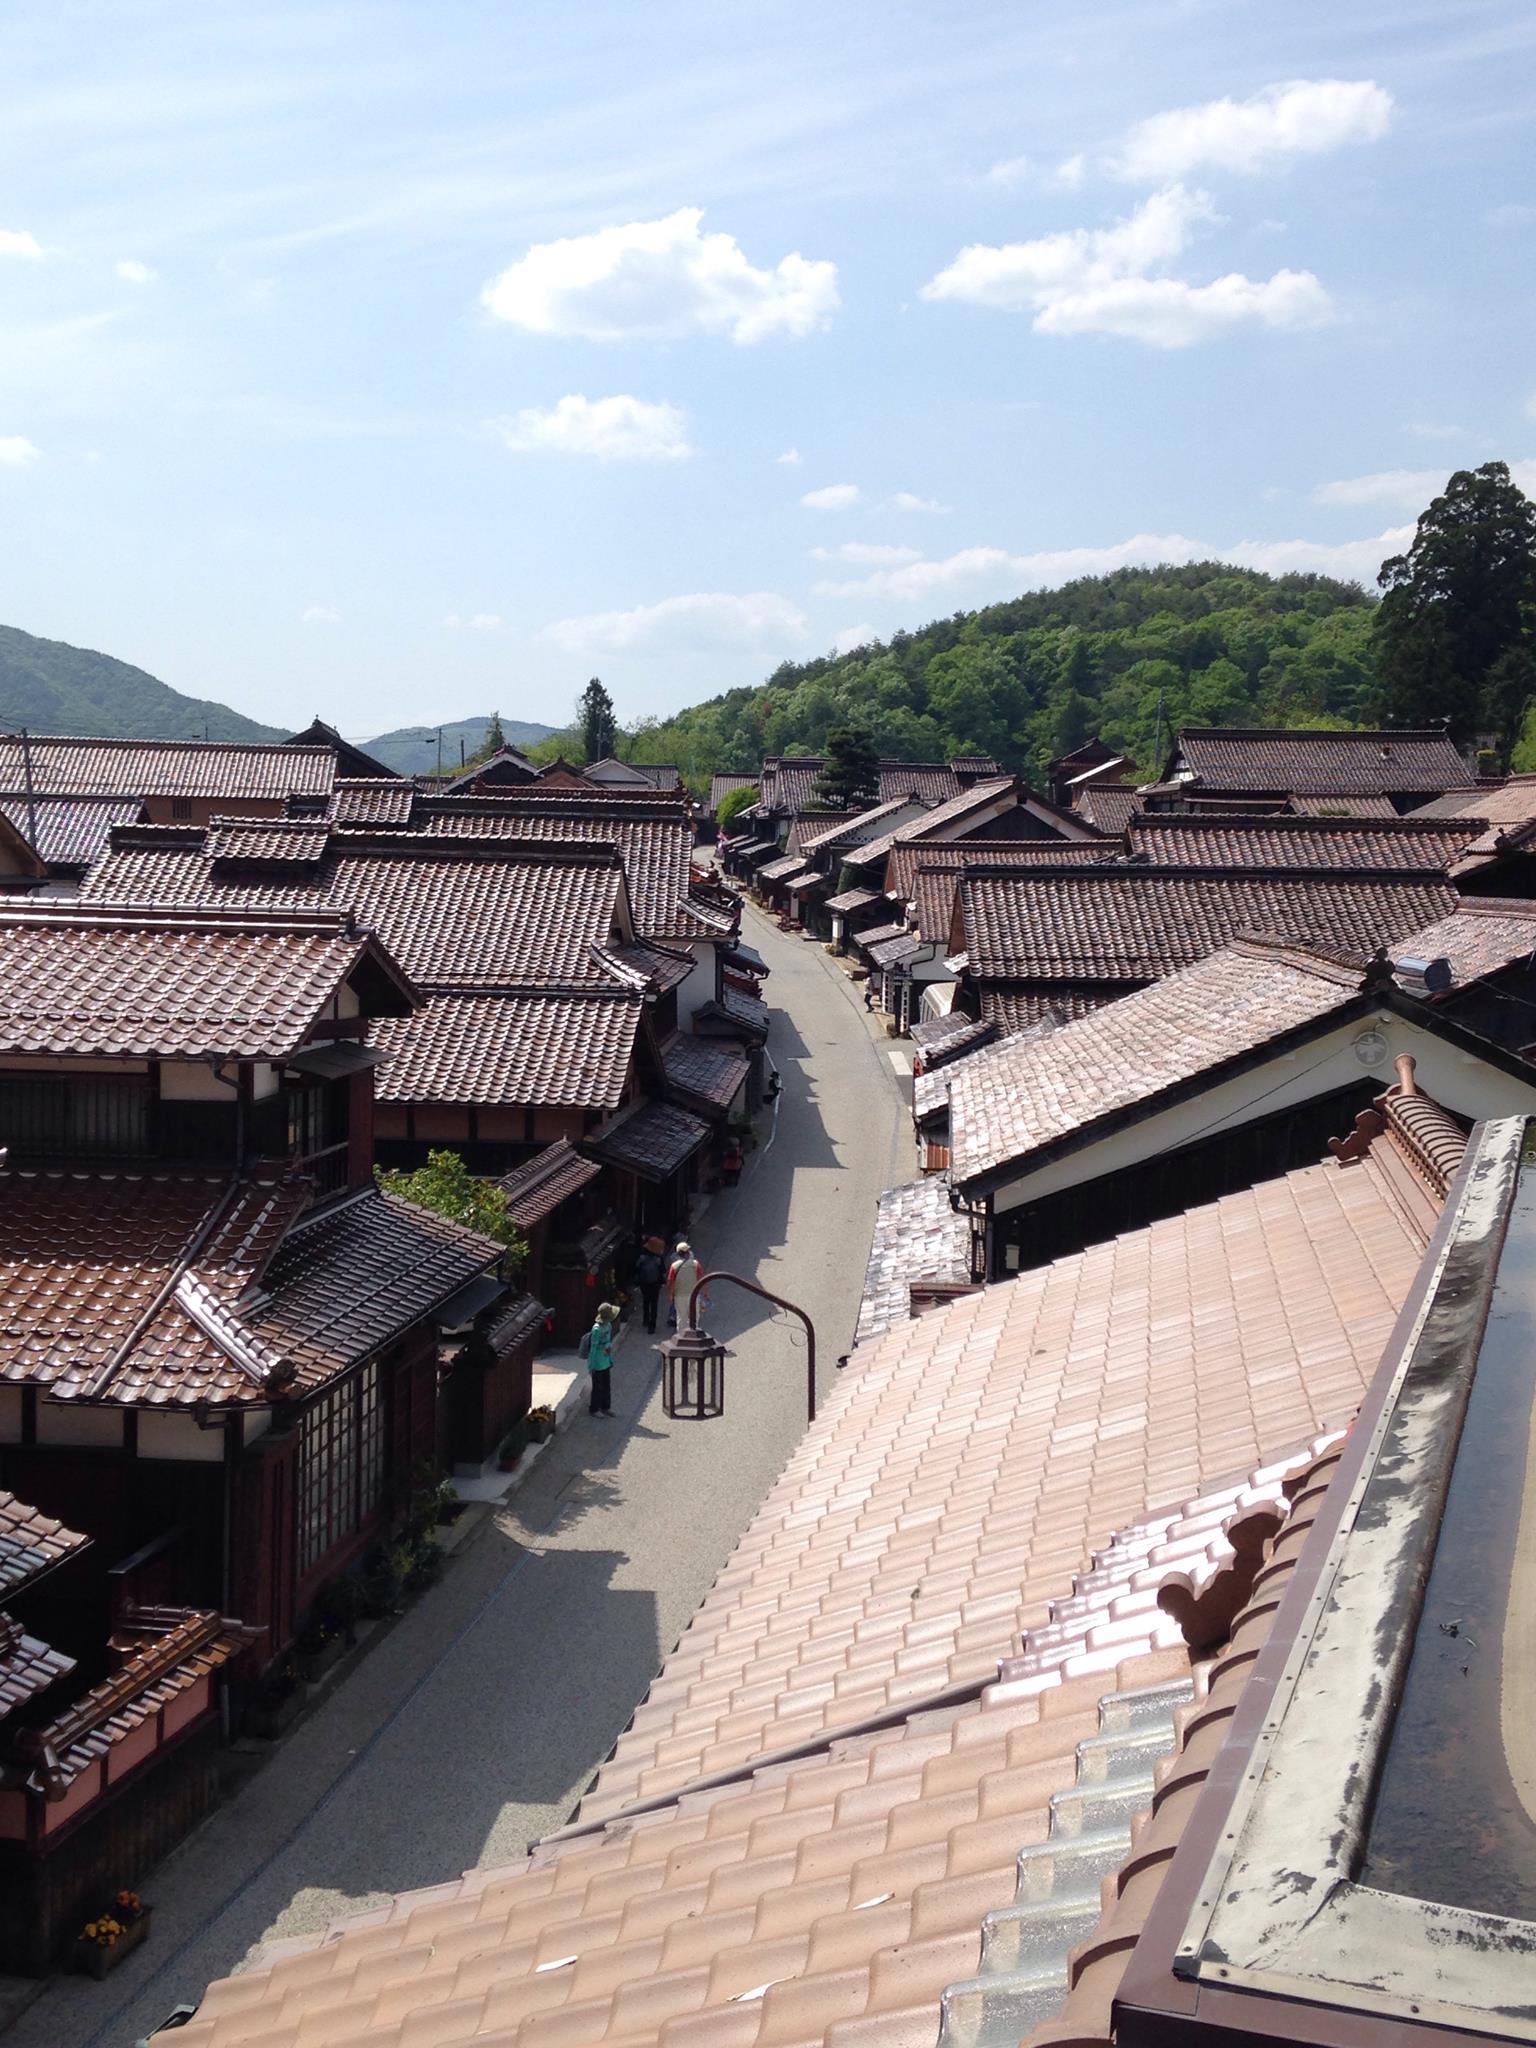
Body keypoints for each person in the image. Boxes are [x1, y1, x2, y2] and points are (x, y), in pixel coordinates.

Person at [585, 1301, 618, 1415]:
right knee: (597, 1387)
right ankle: (594, 1408)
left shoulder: (608, 1325)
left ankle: (605, 1407)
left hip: (605, 1359)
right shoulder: (596, 1329)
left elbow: (608, 1341)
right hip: (598, 1361)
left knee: (606, 1385)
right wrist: (591, 1365)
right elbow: (593, 1348)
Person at [667, 1241, 704, 1331]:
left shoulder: (674, 1266)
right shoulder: (696, 1264)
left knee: (681, 1319)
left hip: (679, 1296)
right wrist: (705, 1294)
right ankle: (694, 1336)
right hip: (694, 1295)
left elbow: (670, 1282)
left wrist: (670, 1295)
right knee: (694, 1318)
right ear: (688, 1252)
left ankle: (681, 1337)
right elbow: (702, 1279)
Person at [633, 1237, 666, 1334]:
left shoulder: (642, 1258)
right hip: (655, 1284)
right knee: (654, 1304)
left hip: (644, 1284)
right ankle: (652, 1325)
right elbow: (662, 1271)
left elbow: (637, 1269)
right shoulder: (658, 1260)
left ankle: (645, 1320)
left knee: (646, 1301)